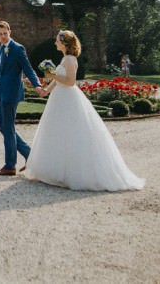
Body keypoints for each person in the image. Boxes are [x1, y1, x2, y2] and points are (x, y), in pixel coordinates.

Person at [24, 30, 144, 191]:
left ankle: (71, 173)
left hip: (68, 98)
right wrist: (46, 90)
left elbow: (71, 82)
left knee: (72, 134)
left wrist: (52, 74)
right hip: (59, 98)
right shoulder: (64, 59)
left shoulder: (70, 59)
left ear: (64, 43)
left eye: (57, 41)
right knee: (58, 133)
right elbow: (59, 80)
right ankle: (57, 171)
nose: (55, 43)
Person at [0, 20, 46, 176]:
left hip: (12, 94)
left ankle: (10, 166)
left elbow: (28, 69)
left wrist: (37, 85)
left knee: (7, 128)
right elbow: (1, 76)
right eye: (0, 34)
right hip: (1, 94)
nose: (3, 36)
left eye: (5, 33)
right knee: (2, 126)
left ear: (10, 32)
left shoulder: (17, 49)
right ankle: (30, 156)